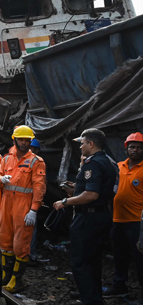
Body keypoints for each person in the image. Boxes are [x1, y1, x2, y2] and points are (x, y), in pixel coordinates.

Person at [53, 128, 117, 305]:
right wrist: (75, 190)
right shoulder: (108, 161)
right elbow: (97, 189)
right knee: (93, 260)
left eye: (82, 143)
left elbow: (91, 195)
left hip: (89, 218)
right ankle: (92, 295)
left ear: (91, 144)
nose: (80, 146)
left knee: (80, 262)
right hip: (101, 215)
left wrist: (65, 201)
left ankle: (90, 300)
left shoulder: (92, 164)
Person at [0, 125, 46, 293]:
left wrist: (34, 210)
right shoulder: (7, 158)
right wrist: (1, 179)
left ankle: (17, 280)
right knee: (4, 240)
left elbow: (39, 187)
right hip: (7, 202)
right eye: (21, 139)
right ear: (15, 140)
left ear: (30, 141)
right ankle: (6, 276)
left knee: (20, 244)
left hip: (23, 205)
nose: (23, 143)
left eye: (26, 140)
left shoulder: (36, 161)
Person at [102, 132, 143, 300]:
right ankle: (120, 286)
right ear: (126, 148)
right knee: (119, 256)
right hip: (118, 220)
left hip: (137, 223)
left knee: (140, 259)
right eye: (132, 147)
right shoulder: (119, 166)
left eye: (140, 148)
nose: (135, 150)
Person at [28, 138, 43, 261]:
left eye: (33, 148)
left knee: (31, 229)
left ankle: (30, 255)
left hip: (31, 202)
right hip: (16, 201)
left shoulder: (38, 163)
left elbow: (40, 186)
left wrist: (34, 208)